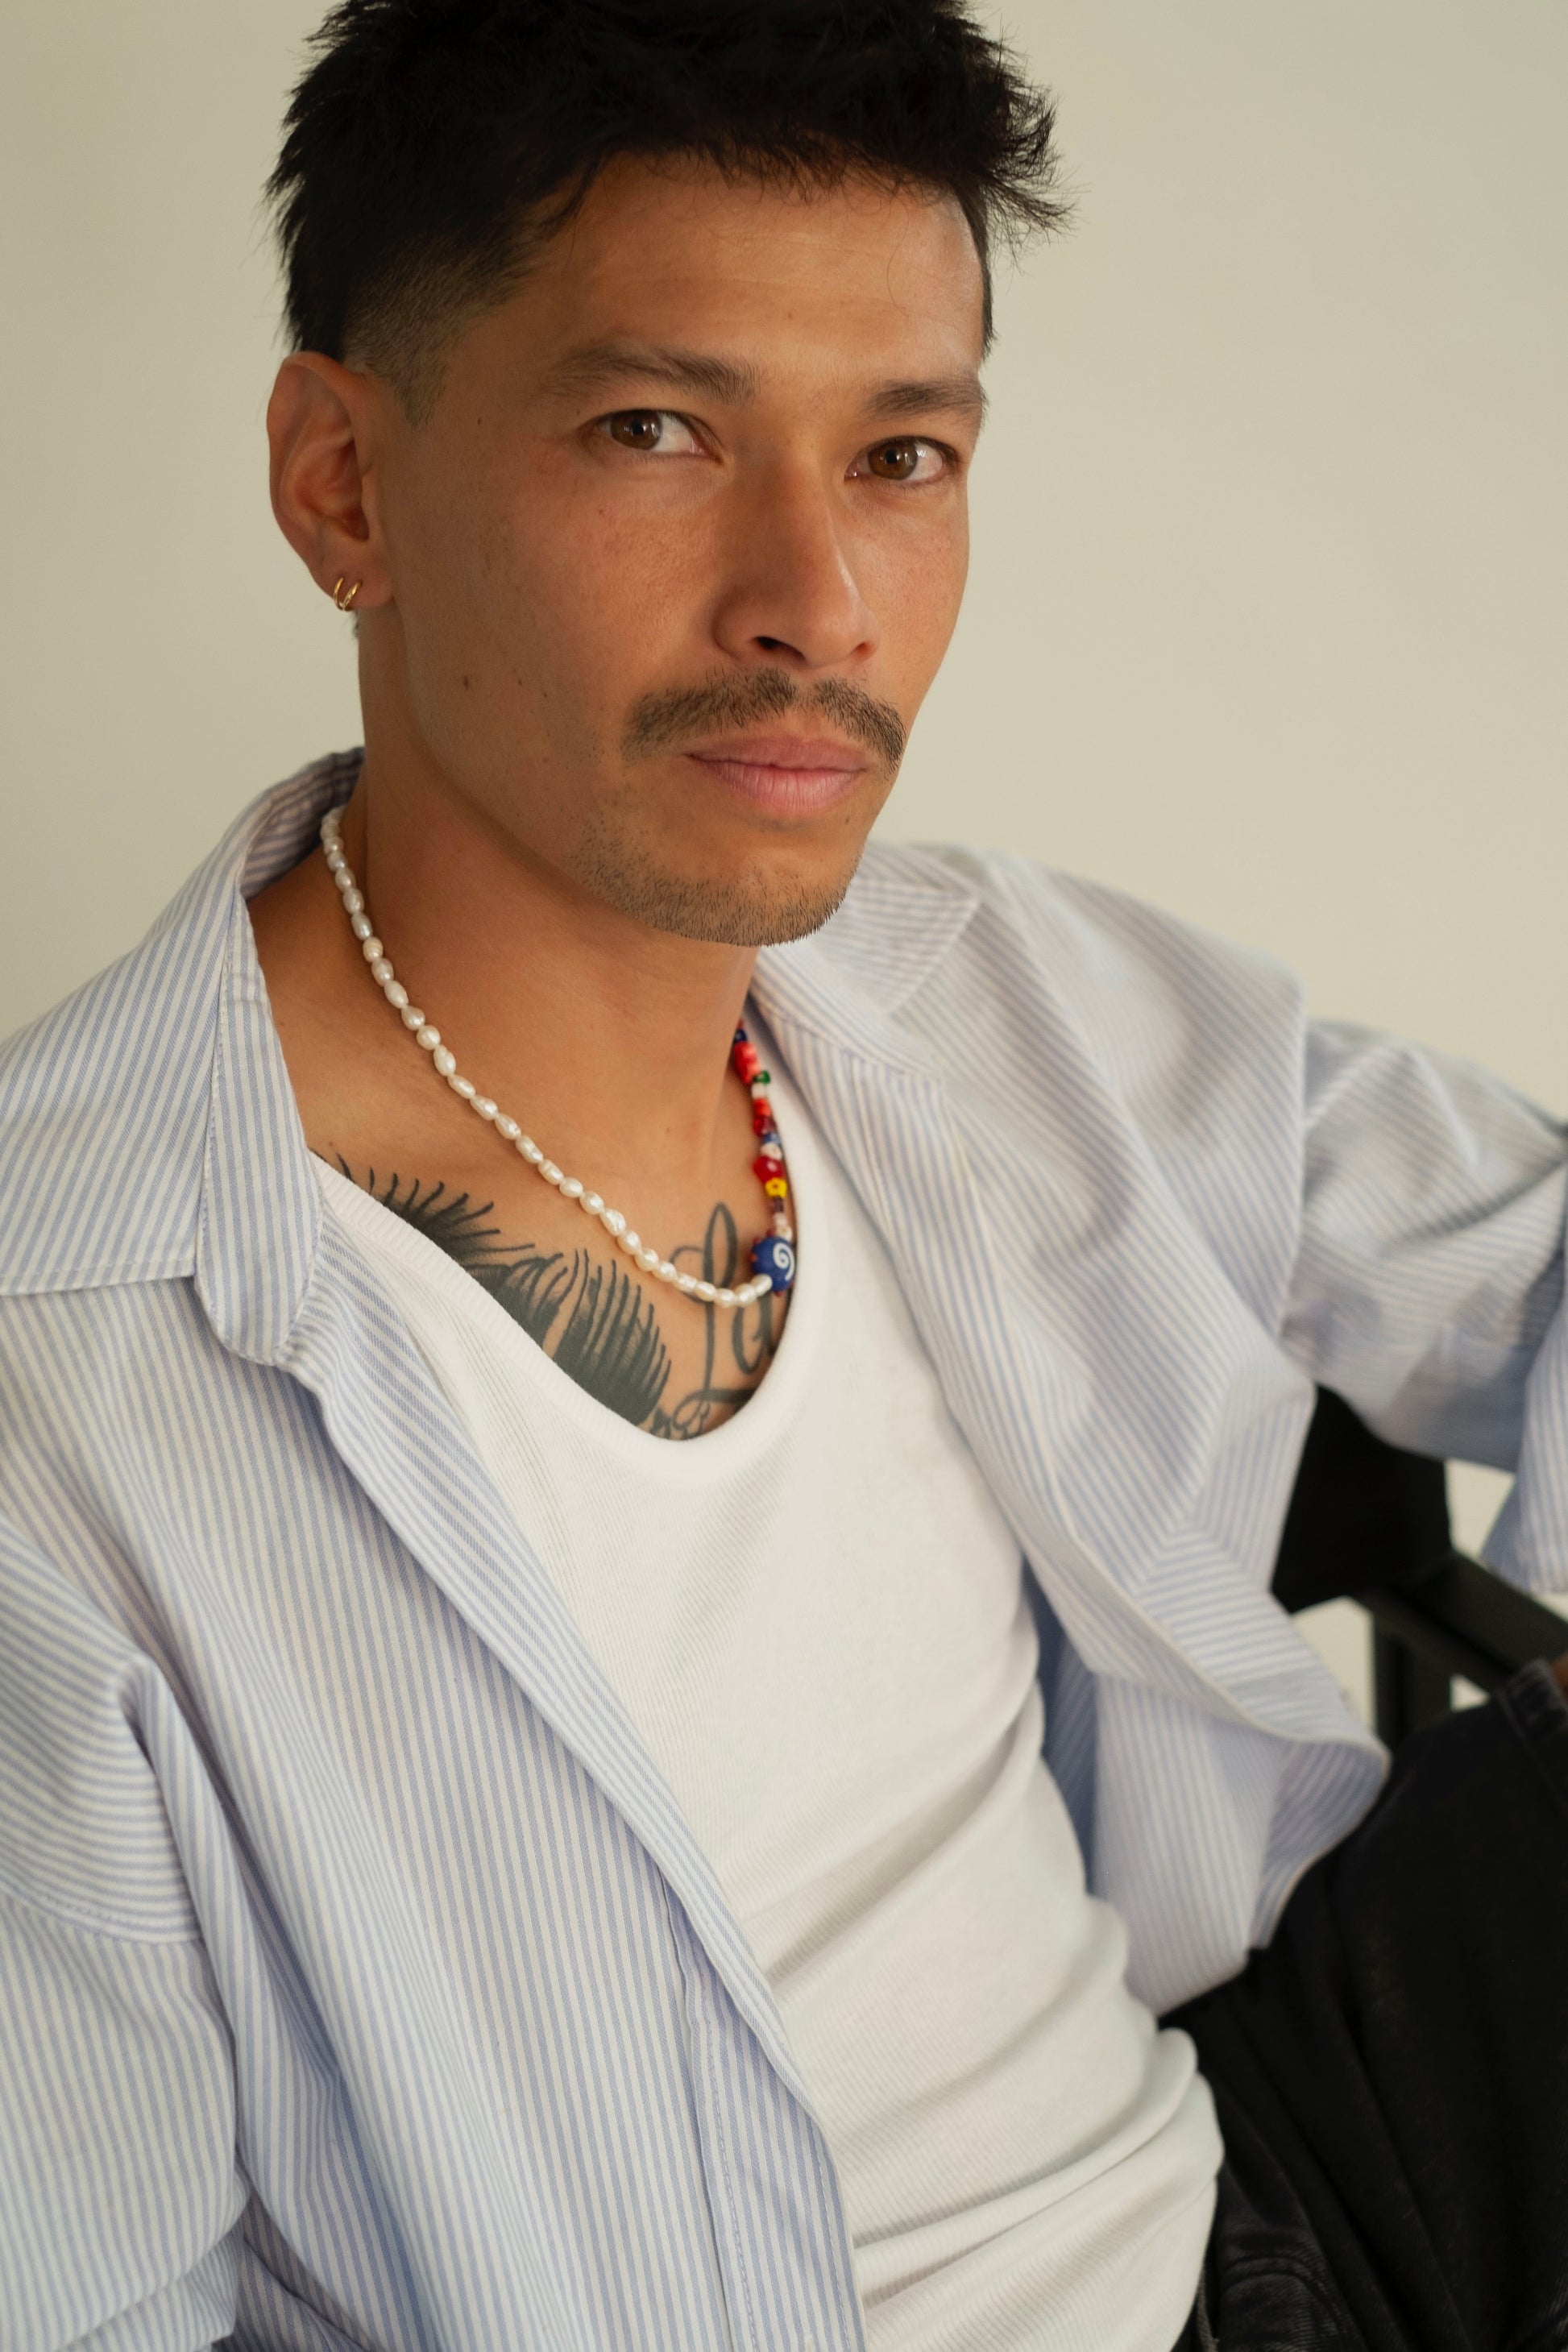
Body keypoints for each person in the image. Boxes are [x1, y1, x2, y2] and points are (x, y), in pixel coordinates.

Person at [1, 4, 1564, 2348]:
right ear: (342, 482)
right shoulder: (67, 1360)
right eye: (657, 430)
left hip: (1264, 2176)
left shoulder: (998, 1000)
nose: (814, 602)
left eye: (904, 453)